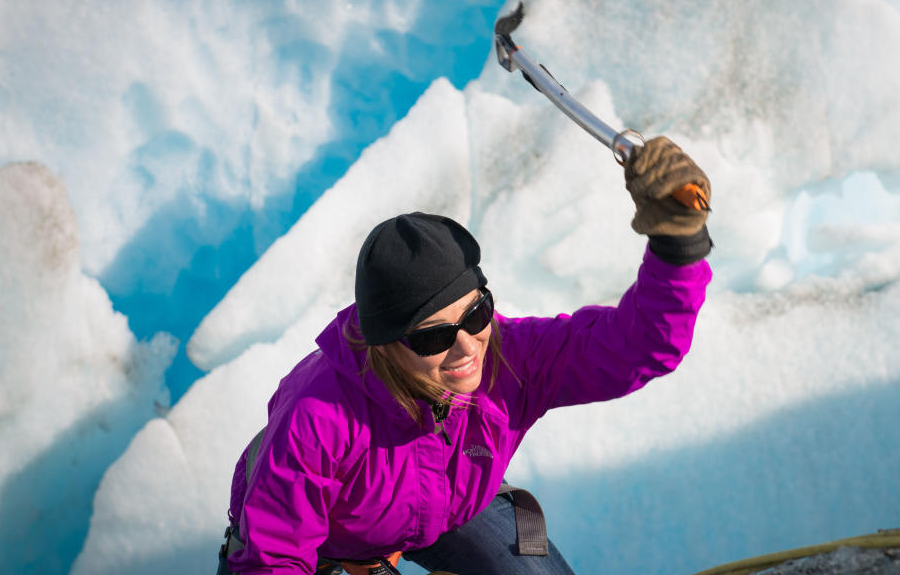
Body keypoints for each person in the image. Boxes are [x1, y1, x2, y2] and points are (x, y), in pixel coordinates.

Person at [217, 137, 714, 574]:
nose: (466, 347)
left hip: (446, 506)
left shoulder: (509, 357)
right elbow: (273, 560)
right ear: (385, 344)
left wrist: (678, 244)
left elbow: (634, 347)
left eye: (476, 313)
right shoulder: (318, 416)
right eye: (433, 337)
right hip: (325, 547)